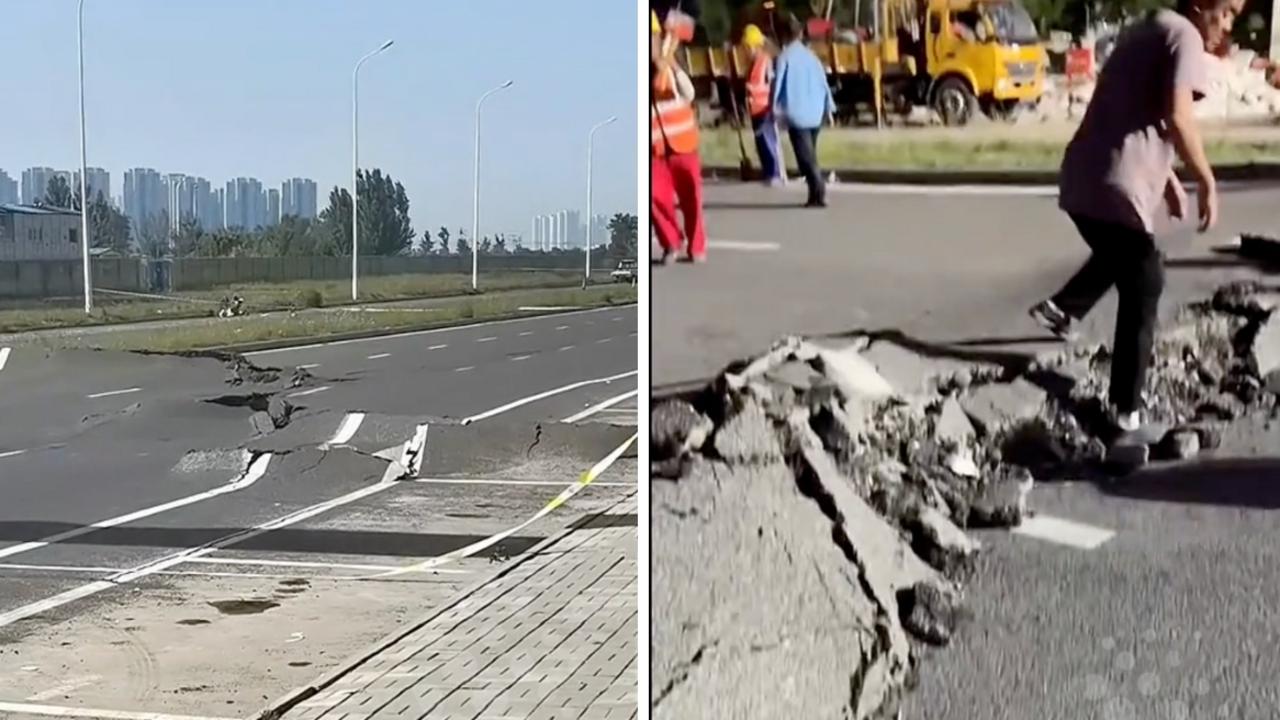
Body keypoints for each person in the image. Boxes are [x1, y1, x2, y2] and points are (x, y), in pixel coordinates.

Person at [1028, 0, 1239, 432]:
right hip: (1111, 183)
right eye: (1227, 10)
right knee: (1144, 274)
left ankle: (1061, 310)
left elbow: (1143, 111)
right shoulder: (1185, 35)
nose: (1229, 24)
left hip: (1085, 175)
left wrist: (1170, 182)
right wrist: (1207, 181)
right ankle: (1125, 410)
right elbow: (1178, 117)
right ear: (1201, 5)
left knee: (1123, 255)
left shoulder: (1151, 26)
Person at [651, 10, 707, 264]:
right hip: (654, 149)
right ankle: (670, 243)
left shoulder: (670, 62)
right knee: (655, 198)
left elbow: (689, 93)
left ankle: (696, 246)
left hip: (683, 144)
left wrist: (671, 66)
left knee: (691, 198)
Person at [771, 13, 835, 208]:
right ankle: (813, 196)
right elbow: (824, 84)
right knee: (810, 154)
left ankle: (820, 190)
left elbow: (778, 85)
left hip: (797, 114)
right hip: (815, 112)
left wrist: (774, 110)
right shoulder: (812, 57)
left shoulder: (784, 57)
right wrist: (829, 107)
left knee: (805, 158)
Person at [743, 24, 783, 186]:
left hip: (765, 108)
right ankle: (768, 172)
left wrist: (773, 106)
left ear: (755, 45)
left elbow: (771, 84)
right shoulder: (752, 63)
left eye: (747, 47)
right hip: (755, 109)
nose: (746, 50)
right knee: (760, 142)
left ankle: (774, 173)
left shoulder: (765, 61)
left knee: (768, 141)